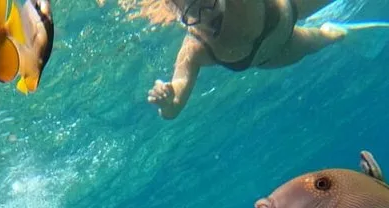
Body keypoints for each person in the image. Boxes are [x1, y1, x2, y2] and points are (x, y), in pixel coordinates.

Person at [148, 0, 348, 120]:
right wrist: (166, 102)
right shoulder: (194, 49)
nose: (207, 14)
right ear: (182, 18)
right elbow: (174, 106)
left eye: (207, 0)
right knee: (322, 40)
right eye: (193, 12)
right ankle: (329, 32)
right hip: (277, 54)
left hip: (288, 8)